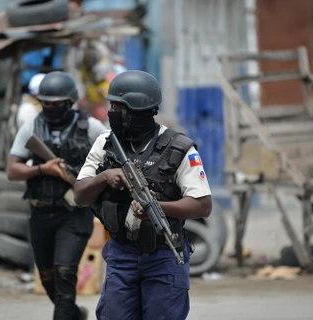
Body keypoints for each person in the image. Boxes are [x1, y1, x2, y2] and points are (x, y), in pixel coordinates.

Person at [74, 70, 212, 319]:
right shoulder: (105, 143)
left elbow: (202, 205)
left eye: (118, 106)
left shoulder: (179, 148)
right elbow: (80, 196)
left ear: (138, 111)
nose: (112, 112)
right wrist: (105, 177)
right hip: (121, 252)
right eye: (112, 105)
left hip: (165, 256)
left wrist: (157, 208)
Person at [6, 71, 106, 320]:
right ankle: (73, 314)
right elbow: (12, 169)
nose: (50, 108)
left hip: (74, 213)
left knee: (64, 272)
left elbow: (110, 159)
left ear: (69, 102)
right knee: (49, 278)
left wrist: (88, 179)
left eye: (57, 103)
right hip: (40, 211)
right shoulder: (32, 127)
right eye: (46, 103)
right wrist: (42, 169)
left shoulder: (90, 127)